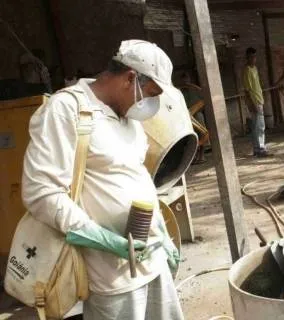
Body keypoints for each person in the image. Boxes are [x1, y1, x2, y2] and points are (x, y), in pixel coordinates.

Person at [22, 40, 184, 320]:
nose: (151, 103)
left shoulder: (129, 118)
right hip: (112, 277)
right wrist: (105, 240)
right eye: (150, 92)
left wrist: (162, 233)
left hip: (153, 263)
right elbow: (41, 192)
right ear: (130, 78)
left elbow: (136, 175)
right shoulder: (66, 109)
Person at [242, 47, 271, 157]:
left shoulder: (255, 69)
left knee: (258, 126)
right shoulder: (247, 71)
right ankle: (260, 148)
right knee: (259, 126)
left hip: (259, 100)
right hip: (255, 101)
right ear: (247, 57)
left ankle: (257, 149)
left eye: (254, 56)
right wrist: (251, 104)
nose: (253, 59)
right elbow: (247, 90)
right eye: (251, 57)